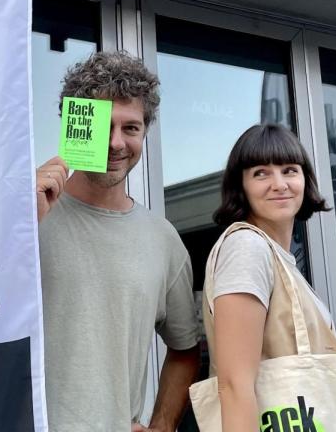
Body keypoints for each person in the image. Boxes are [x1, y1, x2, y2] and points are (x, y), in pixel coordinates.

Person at [36, 52, 200, 432]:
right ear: (74, 126)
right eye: (104, 126)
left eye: (131, 128)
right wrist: (18, 221)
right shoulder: (23, 215)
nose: (116, 143)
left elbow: (185, 348)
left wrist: (161, 426)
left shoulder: (162, 240)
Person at [205, 124, 336, 431]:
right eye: (261, 173)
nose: (279, 184)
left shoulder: (278, 258)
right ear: (241, 186)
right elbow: (234, 385)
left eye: (289, 170)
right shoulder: (247, 247)